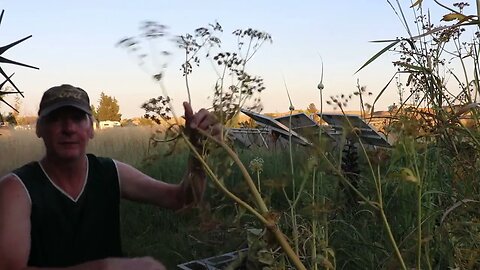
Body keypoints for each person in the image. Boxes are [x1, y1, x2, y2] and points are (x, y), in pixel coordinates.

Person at [0, 84, 221, 270]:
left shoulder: (110, 173)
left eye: (78, 118)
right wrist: (104, 267)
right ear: (39, 129)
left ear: (92, 129)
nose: (68, 128)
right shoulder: (16, 189)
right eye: (56, 119)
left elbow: (181, 199)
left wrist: (200, 156)